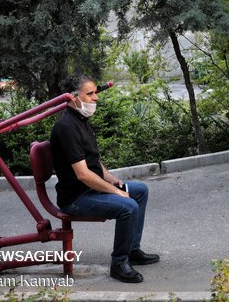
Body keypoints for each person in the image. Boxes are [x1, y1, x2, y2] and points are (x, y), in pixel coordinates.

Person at [50, 73, 159, 283]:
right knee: (128, 206)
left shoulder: (81, 120)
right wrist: (117, 192)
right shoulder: (66, 128)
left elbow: (92, 161)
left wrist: (111, 179)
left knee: (140, 190)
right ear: (73, 98)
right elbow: (83, 174)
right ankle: (119, 264)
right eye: (89, 94)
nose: (96, 98)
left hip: (90, 190)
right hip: (76, 198)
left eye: (95, 92)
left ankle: (132, 250)